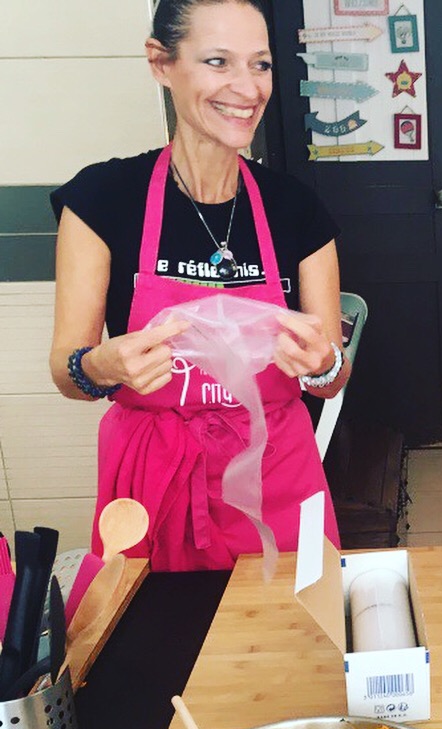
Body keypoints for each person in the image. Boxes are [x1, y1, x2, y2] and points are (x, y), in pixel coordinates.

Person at [49, 0, 348, 571]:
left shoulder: (296, 208)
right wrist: (103, 367)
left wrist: (321, 364)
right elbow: (67, 368)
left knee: (290, 643)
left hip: (276, 470)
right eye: (218, 61)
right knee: (157, 645)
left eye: (260, 65)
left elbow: (332, 377)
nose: (247, 87)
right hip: (151, 477)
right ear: (161, 63)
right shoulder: (102, 200)